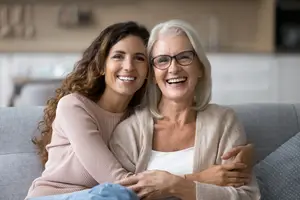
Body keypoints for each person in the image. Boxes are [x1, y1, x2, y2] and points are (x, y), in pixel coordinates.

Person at [26, 21, 254, 200]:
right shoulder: (75, 107)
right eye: (118, 56)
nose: (129, 66)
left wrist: (251, 153)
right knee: (117, 195)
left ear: (148, 71)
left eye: (139, 58)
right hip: (57, 197)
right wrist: (199, 179)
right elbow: (121, 185)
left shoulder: (132, 120)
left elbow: (248, 193)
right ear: (100, 66)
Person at [109, 19, 261, 200]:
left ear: (200, 68)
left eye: (184, 57)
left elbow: (247, 196)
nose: (173, 68)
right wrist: (197, 181)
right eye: (162, 60)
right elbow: (118, 195)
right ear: (152, 75)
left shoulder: (224, 122)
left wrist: (176, 185)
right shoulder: (129, 132)